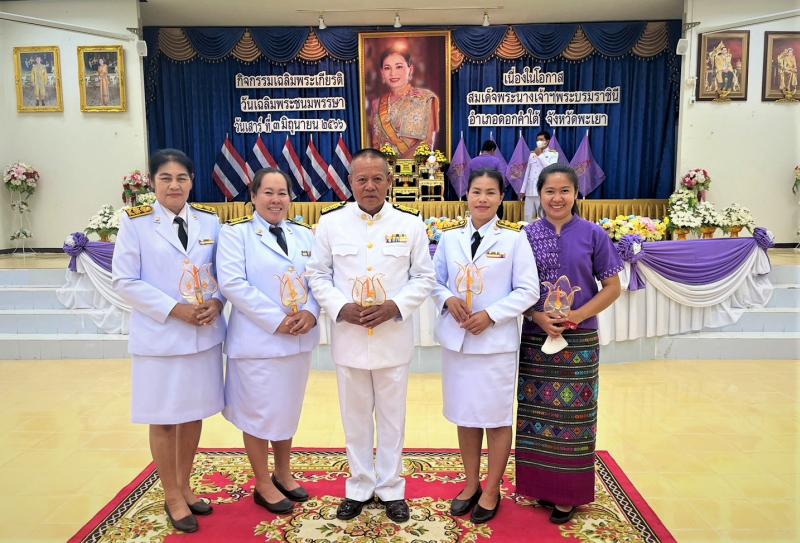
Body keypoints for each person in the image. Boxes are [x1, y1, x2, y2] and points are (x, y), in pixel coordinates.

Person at [306, 148, 436, 523]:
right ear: (350, 182)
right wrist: (339, 307)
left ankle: (392, 488)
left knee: (393, 420)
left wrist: (396, 306)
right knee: (355, 419)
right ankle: (360, 486)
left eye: (377, 178)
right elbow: (317, 274)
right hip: (349, 338)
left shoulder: (410, 224)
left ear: (390, 181)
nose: (369, 186)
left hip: (392, 339)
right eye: (361, 179)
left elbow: (424, 277)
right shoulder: (331, 223)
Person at [112, 149, 226, 534]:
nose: (174, 185)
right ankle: (171, 494)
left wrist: (217, 302)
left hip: (201, 336)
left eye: (181, 178)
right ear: (152, 182)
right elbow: (124, 280)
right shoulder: (136, 223)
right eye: (166, 178)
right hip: (160, 338)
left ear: (192, 182)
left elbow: (222, 273)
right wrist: (174, 309)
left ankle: (185, 485)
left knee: (192, 414)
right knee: (163, 418)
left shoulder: (210, 222)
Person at [515, 164, 622, 524]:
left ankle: (568, 494)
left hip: (579, 340)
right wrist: (536, 316)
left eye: (564, 191)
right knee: (536, 415)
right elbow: (516, 289)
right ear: (539, 194)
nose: (557, 198)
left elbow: (612, 287)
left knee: (574, 417)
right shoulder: (527, 236)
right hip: (536, 338)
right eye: (550, 191)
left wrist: (577, 315)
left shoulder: (593, 234)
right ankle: (539, 486)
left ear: (577, 194)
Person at [432, 169, 539, 524]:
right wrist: (447, 299)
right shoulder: (449, 238)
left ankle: (492, 489)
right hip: (458, 342)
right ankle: (470, 483)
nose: (482, 199)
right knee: (465, 415)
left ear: (501, 198)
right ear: (466, 195)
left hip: (494, 346)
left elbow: (528, 290)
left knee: (494, 418)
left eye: (490, 192)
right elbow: (433, 281)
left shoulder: (514, 239)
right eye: (476, 191)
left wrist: (492, 315)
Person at [216, 167, 319, 515]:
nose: (276, 200)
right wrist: (277, 321)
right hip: (257, 342)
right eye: (268, 193)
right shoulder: (236, 234)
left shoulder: (304, 235)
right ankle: (262, 482)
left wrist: (312, 313)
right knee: (257, 413)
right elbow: (233, 284)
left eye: (282, 193)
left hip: (297, 340)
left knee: (286, 409)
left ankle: (283, 473)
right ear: (253, 196)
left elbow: (319, 279)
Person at [370, 48, 439, 158]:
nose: (393, 73)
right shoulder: (376, 104)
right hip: (383, 167)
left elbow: (426, 144)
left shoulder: (425, 99)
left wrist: (400, 165)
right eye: (387, 68)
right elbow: (376, 145)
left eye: (399, 67)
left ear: (410, 70)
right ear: (382, 73)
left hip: (415, 166)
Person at [520, 131, 559, 222]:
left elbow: (550, 169)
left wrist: (540, 155)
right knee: (528, 216)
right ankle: (528, 231)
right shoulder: (532, 154)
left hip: (542, 190)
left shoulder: (553, 154)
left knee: (542, 216)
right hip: (530, 191)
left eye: (541, 139)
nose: (539, 142)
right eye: (537, 140)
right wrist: (523, 190)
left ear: (547, 141)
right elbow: (527, 173)